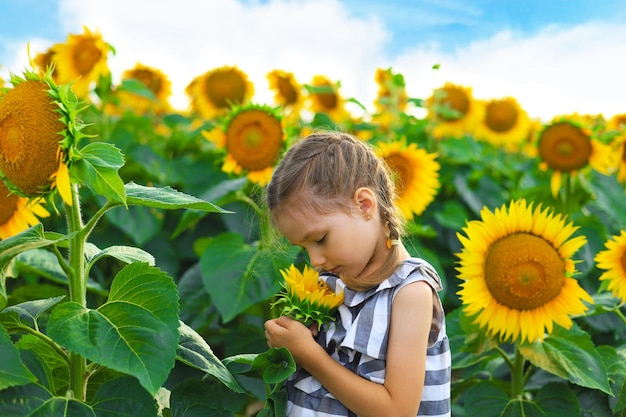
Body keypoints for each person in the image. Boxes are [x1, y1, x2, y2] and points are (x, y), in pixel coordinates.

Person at [264, 132, 451, 417]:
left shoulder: (409, 293)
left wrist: (310, 356)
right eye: (303, 247)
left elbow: (397, 411)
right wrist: (291, 341)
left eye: (321, 239)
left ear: (364, 205)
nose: (315, 261)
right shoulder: (330, 285)